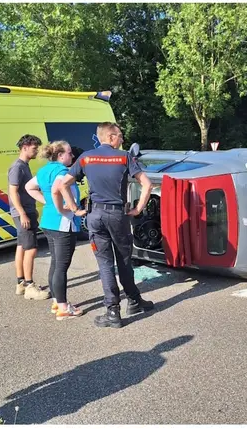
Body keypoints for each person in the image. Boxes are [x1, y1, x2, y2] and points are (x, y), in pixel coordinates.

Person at [53, 122, 154, 329]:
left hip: (95, 215)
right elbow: (147, 184)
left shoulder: (86, 157)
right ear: (110, 137)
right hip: (118, 215)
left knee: (105, 264)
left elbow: (63, 184)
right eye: (120, 136)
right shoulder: (125, 156)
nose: (122, 140)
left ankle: (112, 312)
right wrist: (138, 209)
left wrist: (73, 208)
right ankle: (134, 301)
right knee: (124, 260)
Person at [25, 140, 83, 320]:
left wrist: (47, 202)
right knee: (61, 267)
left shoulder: (44, 170)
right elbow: (59, 189)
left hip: (48, 222)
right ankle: (64, 309)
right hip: (62, 224)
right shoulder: (62, 171)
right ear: (60, 155)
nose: (72, 156)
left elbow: (29, 187)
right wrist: (69, 208)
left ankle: (57, 302)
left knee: (55, 264)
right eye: (69, 153)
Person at [8, 134, 49, 300]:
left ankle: (21, 283)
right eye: (34, 148)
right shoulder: (18, 167)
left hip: (24, 211)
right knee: (31, 248)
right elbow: (13, 191)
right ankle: (30, 286)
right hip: (23, 213)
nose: (36, 151)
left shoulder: (24, 165)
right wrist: (23, 213)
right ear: (25, 147)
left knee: (21, 247)